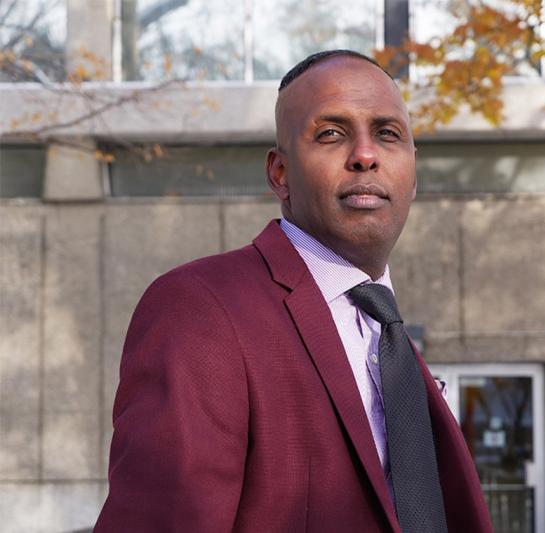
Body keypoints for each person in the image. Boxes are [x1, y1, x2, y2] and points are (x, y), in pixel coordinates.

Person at [95, 50, 492, 533]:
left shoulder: (388, 336)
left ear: (414, 175)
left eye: (388, 134)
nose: (365, 155)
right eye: (331, 134)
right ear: (280, 174)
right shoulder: (200, 310)